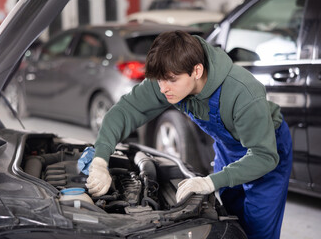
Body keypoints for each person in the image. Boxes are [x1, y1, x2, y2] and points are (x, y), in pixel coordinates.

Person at [85, 30, 292, 239]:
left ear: (197, 70)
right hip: (228, 148)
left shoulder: (243, 92)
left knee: (258, 228)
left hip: (265, 149)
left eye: (171, 81)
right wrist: (100, 160)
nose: (163, 89)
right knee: (232, 220)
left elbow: (264, 156)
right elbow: (124, 111)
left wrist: (210, 182)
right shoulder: (170, 76)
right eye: (159, 80)